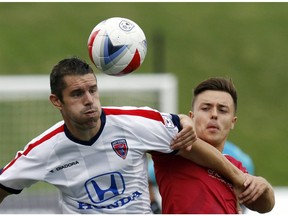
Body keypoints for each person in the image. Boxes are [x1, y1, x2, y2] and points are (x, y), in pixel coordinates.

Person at [0, 58, 247, 213]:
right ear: (57, 101)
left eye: (93, 90)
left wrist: (238, 178)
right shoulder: (44, 150)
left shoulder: (134, 123)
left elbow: (187, 143)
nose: (89, 100)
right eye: (77, 94)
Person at [152, 77, 275, 214]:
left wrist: (264, 186)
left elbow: (265, 207)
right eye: (206, 108)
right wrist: (181, 118)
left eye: (223, 110)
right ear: (191, 116)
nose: (214, 115)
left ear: (233, 122)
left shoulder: (236, 165)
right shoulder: (176, 145)